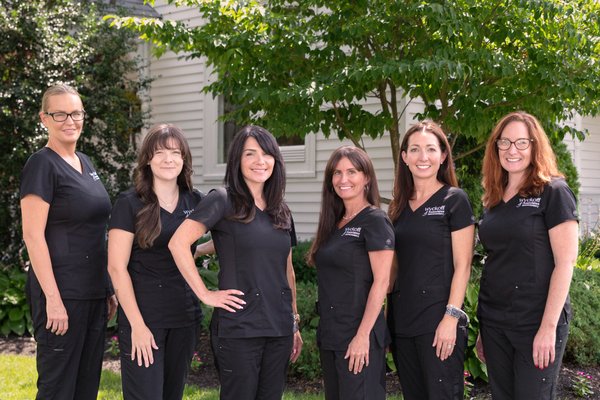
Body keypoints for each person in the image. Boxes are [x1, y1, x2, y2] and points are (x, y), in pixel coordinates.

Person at [168, 125, 303, 400]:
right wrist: (205, 294)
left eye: (266, 154)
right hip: (239, 327)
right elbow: (178, 243)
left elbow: (286, 270)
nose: (259, 161)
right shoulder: (222, 199)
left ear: (276, 160)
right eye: (250, 154)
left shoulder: (281, 209)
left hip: (278, 326)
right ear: (237, 161)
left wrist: (294, 321)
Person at [20, 83, 117, 399]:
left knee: (86, 385)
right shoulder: (41, 164)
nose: (69, 120)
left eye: (75, 113)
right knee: (58, 388)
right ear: (44, 118)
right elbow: (33, 236)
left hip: (92, 293)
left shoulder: (85, 162)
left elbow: (95, 233)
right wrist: (53, 299)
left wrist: (106, 288)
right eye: (59, 114)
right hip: (62, 294)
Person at [476, 111, 579, 400]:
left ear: (535, 146)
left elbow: (565, 263)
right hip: (495, 321)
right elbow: (498, 258)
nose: (512, 150)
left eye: (522, 142)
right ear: (495, 147)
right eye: (505, 142)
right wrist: (485, 328)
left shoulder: (553, 192)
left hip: (536, 321)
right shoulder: (493, 198)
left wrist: (548, 328)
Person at [107, 124, 204, 399]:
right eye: (159, 152)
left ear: (184, 159)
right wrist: (137, 325)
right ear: (147, 159)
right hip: (145, 317)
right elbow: (116, 267)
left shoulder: (195, 201)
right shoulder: (129, 203)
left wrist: (204, 249)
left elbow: (187, 249)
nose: (168, 159)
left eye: (175, 152)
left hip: (184, 316)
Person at [386, 121, 475, 400]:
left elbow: (463, 265)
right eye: (415, 149)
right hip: (403, 320)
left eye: (430, 149)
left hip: (439, 319)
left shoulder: (454, 200)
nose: (422, 157)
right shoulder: (398, 207)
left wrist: (451, 318)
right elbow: (395, 269)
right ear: (404, 157)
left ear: (443, 156)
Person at [307, 145, 394, 400]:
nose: (343, 179)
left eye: (352, 171)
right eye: (337, 173)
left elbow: (382, 282)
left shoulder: (375, 221)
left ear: (366, 177)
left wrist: (362, 336)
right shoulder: (333, 223)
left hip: (359, 335)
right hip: (332, 334)